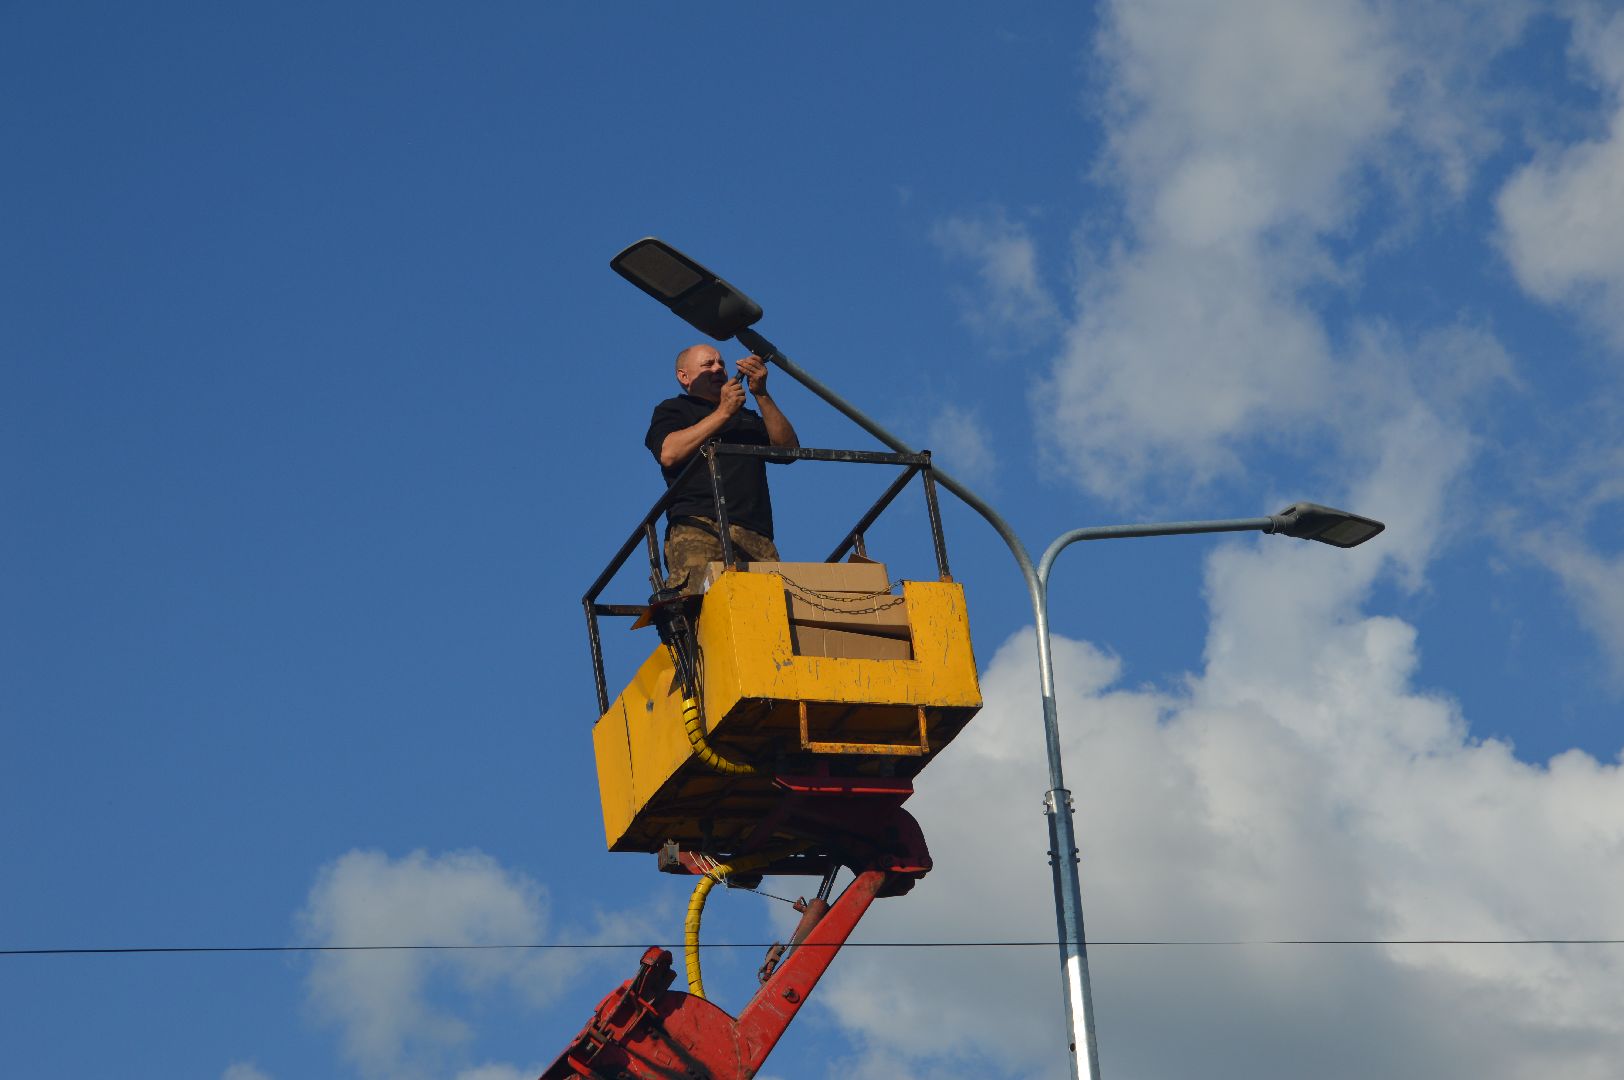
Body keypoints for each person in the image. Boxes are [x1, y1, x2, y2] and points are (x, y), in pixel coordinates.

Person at [644, 344, 799, 593]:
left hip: (755, 534)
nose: (718, 368)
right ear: (684, 376)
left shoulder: (746, 417)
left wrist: (761, 394)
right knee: (703, 608)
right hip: (699, 527)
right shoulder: (673, 410)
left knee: (769, 615)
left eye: (721, 364)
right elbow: (669, 453)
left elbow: (789, 450)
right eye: (708, 365)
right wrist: (724, 411)